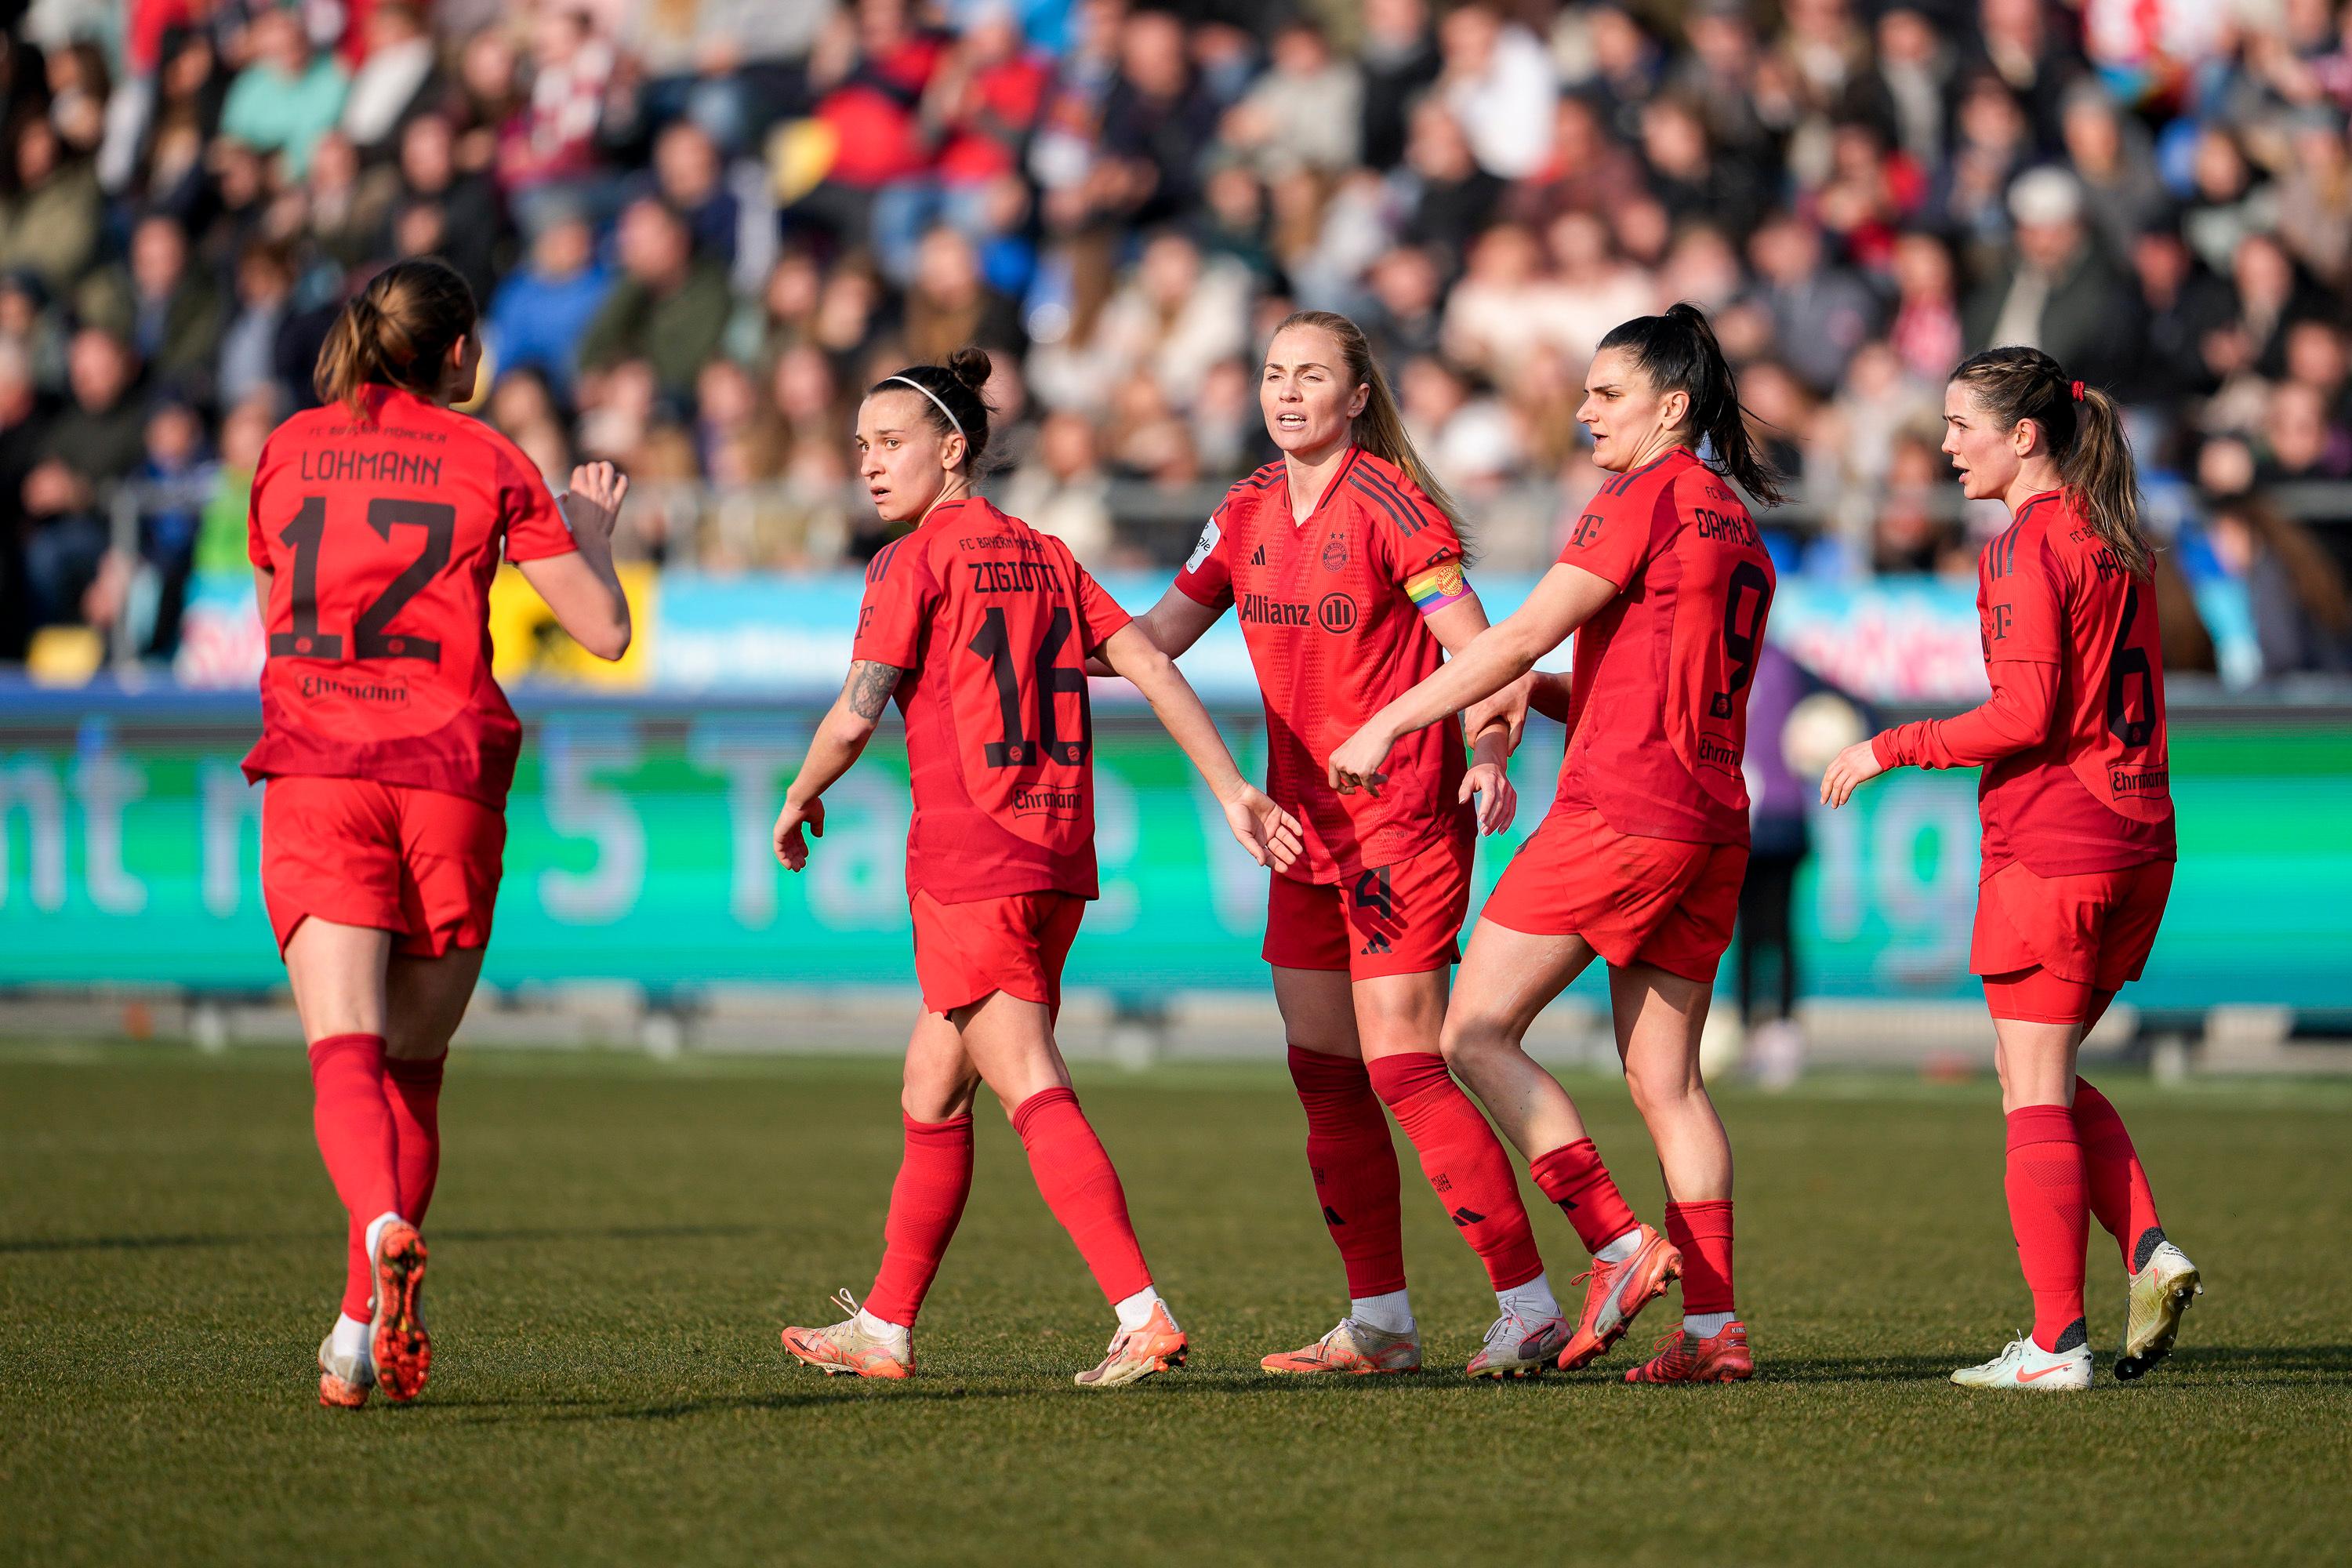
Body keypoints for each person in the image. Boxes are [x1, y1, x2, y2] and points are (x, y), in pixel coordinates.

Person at [772, 348, 1300, 1390]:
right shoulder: (1045, 554)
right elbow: (1148, 659)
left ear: (951, 450)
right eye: (862, 446)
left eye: (890, 443)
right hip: (1055, 855)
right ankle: (885, 1325)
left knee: (1029, 1083)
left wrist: (798, 794)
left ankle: (1141, 1313)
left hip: (972, 858)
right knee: (933, 1088)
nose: (869, 464)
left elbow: (855, 714)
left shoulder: (911, 562)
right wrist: (1229, 784)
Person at [1330, 303, 1784, 1385]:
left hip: (1619, 814)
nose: (1585, 412)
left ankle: (1618, 1245)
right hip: (1710, 819)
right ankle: (1714, 1331)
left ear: (1672, 406)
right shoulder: (1735, 520)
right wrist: (1539, 693)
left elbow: (1526, 629)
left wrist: (1390, 721)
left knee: (1473, 1032)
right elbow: (1652, 684)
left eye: (1607, 393)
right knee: (1668, 1083)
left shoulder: (1639, 496)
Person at [1102, 309, 1555, 1381]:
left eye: (1311, 376)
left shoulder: (1396, 507)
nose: (1288, 392)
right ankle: (1380, 1322)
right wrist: (1031, 636)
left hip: (1402, 817)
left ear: (1357, 398)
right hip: (1300, 826)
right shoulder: (1243, 509)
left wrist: (1489, 753)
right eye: (1273, 374)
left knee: (1403, 1061)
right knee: (1324, 1069)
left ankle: (1529, 1303)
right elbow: (1154, 639)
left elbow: (1489, 658)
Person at [242, 258, 634, 1410]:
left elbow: (276, 603)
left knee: (345, 1053)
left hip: (322, 768)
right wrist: (591, 531)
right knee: (414, 1071)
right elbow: (604, 633)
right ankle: (355, 1330)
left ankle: (378, 1231)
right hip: (449, 775)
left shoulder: (286, 449)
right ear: (460, 352)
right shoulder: (490, 459)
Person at [1821, 347, 2201, 1391]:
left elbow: (2024, 716)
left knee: (2032, 1089)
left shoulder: (2025, 544)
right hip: (2140, 836)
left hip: (2057, 843)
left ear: (2023, 436)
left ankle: (2055, 1344)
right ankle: (2147, 1249)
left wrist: (1890, 746)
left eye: (1961, 425)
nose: (1946, 446)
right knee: (2041, 1071)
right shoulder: (2119, 535)